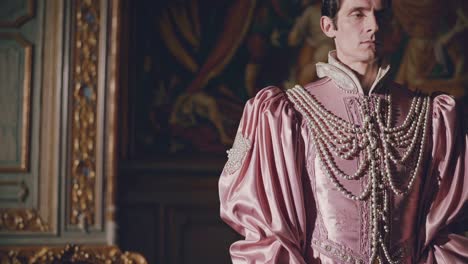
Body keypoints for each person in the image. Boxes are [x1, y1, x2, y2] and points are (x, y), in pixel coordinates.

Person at [218, 0, 468, 263]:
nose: (373, 26)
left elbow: (445, 234)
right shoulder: (285, 115)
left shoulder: (433, 116)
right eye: (358, 14)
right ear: (328, 26)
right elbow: (267, 234)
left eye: (381, 16)